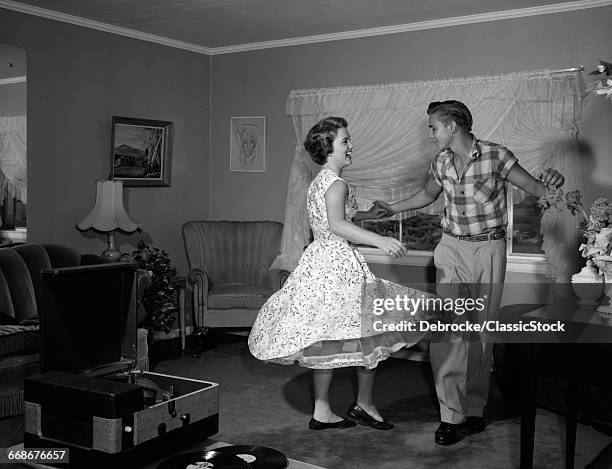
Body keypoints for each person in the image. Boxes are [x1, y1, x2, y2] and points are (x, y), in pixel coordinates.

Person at [374, 100, 565, 445]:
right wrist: (391, 209)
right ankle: (450, 415)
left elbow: (539, 190)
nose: (431, 134)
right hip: (450, 249)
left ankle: (474, 409)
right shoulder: (440, 162)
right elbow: (426, 196)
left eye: (434, 127)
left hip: (488, 249)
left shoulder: (497, 156)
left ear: (453, 126)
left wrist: (553, 179)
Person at [248, 116, 438, 431]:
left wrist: (366, 215)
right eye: (345, 141)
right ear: (329, 149)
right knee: (369, 333)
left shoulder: (320, 181)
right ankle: (363, 404)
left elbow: (332, 216)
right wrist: (381, 239)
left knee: (327, 337)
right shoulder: (337, 183)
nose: (351, 146)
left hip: (320, 262)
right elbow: (336, 224)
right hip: (338, 266)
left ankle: (322, 410)